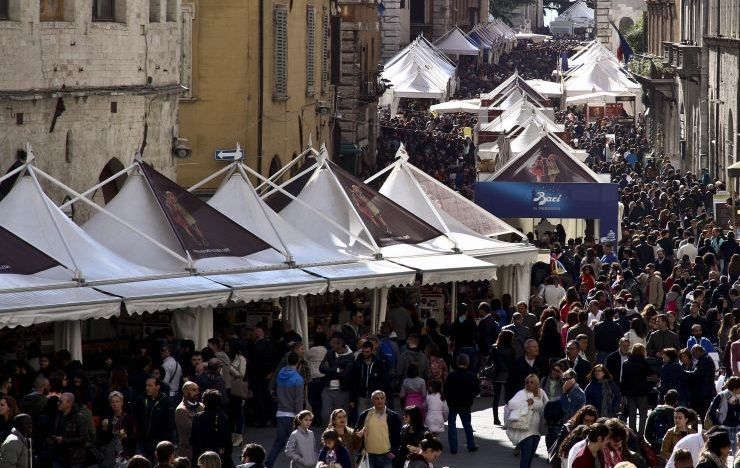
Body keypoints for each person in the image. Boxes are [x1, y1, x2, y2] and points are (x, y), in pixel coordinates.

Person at [265, 352, 304, 468]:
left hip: (281, 412)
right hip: (293, 415)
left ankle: (269, 463)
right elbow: (298, 400)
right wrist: (301, 417)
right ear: (298, 362)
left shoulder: (281, 374)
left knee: (279, 442)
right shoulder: (298, 379)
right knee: (297, 443)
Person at [505, 374, 547, 468]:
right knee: (525, 456)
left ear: (536, 383)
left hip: (537, 430)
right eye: (527, 382)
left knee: (530, 457)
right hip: (525, 430)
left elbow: (547, 405)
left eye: (531, 382)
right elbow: (511, 404)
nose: (528, 384)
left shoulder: (541, 392)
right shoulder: (522, 393)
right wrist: (525, 403)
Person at [443, 354, 478, 454]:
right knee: (467, 425)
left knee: (452, 425)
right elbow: (477, 390)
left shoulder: (451, 375)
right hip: (466, 404)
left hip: (453, 404)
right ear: (467, 363)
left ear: (457, 363)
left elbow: (446, 389)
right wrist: (470, 396)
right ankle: (471, 445)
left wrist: (449, 399)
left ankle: (453, 447)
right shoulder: (471, 376)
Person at [356, 390, 401, 468]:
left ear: (385, 399)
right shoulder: (364, 415)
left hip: (387, 456)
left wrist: (393, 452)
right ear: (372, 400)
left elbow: (398, 435)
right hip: (369, 456)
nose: (379, 400)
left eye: (382, 398)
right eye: (376, 398)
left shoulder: (393, 416)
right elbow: (357, 432)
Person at [190, 390, 232, 468]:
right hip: (220, 456)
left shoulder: (198, 417)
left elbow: (193, 439)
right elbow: (228, 439)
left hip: (202, 456)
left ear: (204, 401)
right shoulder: (223, 417)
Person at [319, 334, 354, 424]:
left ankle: (339, 436)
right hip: (327, 389)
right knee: (325, 415)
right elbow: (322, 368)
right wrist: (337, 369)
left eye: (334, 343)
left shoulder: (350, 356)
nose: (331, 345)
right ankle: (328, 434)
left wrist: (330, 370)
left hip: (342, 390)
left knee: (340, 417)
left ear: (340, 344)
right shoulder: (330, 353)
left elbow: (345, 374)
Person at [620, 343, 654, 437]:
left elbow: (623, 379)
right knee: (643, 414)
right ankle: (640, 434)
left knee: (632, 413)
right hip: (641, 392)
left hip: (629, 392)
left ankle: (632, 433)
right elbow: (650, 373)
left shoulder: (626, 362)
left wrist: (622, 392)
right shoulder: (644, 362)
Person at [98, 390, 138, 467]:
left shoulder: (129, 418)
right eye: (113, 402)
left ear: (122, 403)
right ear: (110, 404)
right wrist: (104, 429)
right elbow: (102, 440)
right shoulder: (107, 419)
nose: (115, 404)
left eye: (117, 401)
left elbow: (134, 438)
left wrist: (125, 436)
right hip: (111, 455)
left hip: (125, 455)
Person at [49, 392, 88, 468]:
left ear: (69, 403)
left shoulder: (79, 418)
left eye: (60, 402)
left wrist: (64, 440)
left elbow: (83, 438)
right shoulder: (57, 415)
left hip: (73, 459)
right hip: (58, 456)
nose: (58, 403)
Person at [350, 340, 386, 414]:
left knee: (374, 419)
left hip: (375, 396)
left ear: (372, 351)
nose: (365, 354)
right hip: (361, 395)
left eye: (367, 352)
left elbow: (383, 381)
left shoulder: (378, 363)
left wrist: (383, 397)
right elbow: (353, 381)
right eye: (363, 351)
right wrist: (352, 399)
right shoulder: (358, 363)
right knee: (362, 418)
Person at [489, 329, 515, 425]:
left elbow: (489, 361)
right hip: (508, 374)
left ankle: (496, 418)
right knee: (508, 397)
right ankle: (508, 417)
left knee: (496, 397)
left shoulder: (494, 347)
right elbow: (513, 363)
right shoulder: (511, 349)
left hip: (497, 373)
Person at [707, 376, 740, 450]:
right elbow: (711, 412)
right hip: (724, 428)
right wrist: (718, 425)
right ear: (735, 389)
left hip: (737, 427)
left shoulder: (738, 396)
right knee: (722, 451)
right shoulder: (721, 396)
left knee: (737, 451)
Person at [175, 382, 203, 460]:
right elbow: (191, 430)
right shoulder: (181, 410)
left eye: (198, 390)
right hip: (187, 452)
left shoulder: (201, 406)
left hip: (200, 449)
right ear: (185, 391)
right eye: (194, 390)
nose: (197, 392)